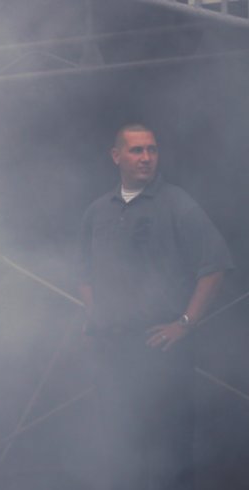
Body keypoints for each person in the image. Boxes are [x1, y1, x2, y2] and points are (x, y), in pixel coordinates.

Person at [78, 123, 233, 490]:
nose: (146, 158)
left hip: (161, 349)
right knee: (116, 443)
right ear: (116, 156)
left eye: (152, 150)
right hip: (113, 350)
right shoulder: (98, 211)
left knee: (169, 449)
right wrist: (92, 313)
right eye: (136, 150)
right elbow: (83, 272)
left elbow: (215, 266)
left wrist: (185, 322)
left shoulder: (177, 202)